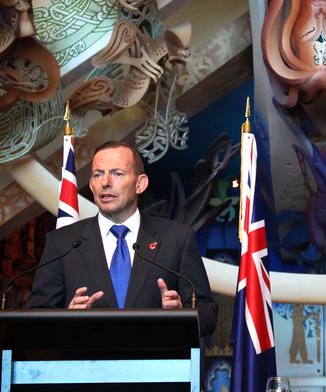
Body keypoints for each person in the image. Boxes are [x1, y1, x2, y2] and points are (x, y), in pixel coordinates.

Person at [26, 141, 218, 336]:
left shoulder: (176, 238)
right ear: (91, 185)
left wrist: (181, 314)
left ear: (140, 184)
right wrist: (66, 318)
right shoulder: (63, 243)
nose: (105, 182)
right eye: (97, 174)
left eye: (117, 173)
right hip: (85, 362)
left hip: (155, 363)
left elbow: (208, 315)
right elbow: (34, 321)